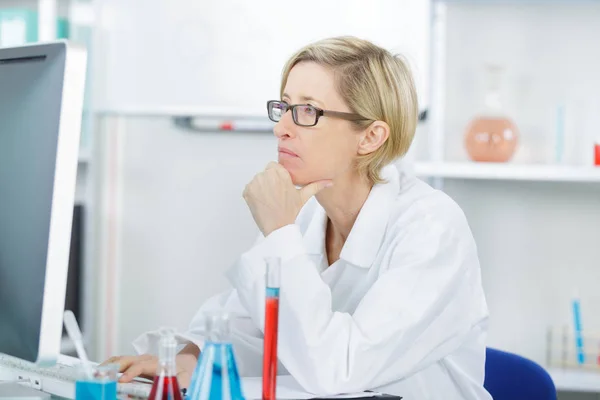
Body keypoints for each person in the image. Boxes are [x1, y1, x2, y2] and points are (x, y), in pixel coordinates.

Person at [104, 36, 492, 399]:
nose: (281, 128)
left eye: (307, 111)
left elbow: (337, 370)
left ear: (370, 137)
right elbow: (247, 325)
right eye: (284, 106)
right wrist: (190, 359)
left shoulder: (432, 228)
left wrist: (278, 232)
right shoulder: (306, 211)